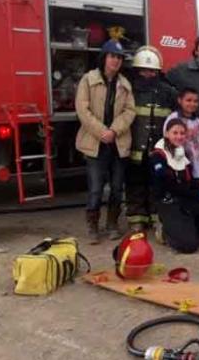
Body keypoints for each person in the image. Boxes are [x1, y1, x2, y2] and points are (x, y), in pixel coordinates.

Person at [75, 39, 135, 243]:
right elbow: (82, 109)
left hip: (118, 144)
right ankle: (93, 226)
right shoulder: (88, 80)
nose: (116, 61)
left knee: (117, 188)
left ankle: (112, 224)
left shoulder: (125, 85)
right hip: (95, 143)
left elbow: (130, 111)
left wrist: (114, 131)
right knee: (95, 188)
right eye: (112, 56)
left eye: (119, 57)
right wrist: (102, 132)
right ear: (104, 58)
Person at [125, 45, 176, 234]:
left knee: (157, 184)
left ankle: (156, 217)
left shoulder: (168, 92)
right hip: (135, 147)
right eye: (144, 70)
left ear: (158, 71)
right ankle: (136, 219)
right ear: (137, 70)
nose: (147, 74)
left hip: (158, 149)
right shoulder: (129, 90)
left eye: (152, 71)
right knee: (135, 183)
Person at [151, 118, 199, 253]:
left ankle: (196, 230)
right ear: (166, 134)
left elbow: (187, 181)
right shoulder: (157, 157)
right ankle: (164, 231)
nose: (179, 136)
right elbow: (169, 186)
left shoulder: (182, 154)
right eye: (175, 133)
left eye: (182, 133)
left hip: (184, 200)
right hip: (168, 202)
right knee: (189, 246)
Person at [165, 88, 199, 180]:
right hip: (176, 162)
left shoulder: (198, 122)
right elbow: (166, 141)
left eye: (195, 101)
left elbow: (197, 146)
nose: (192, 104)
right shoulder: (173, 118)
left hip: (194, 163)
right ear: (180, 100)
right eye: (188, 100)